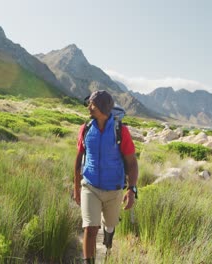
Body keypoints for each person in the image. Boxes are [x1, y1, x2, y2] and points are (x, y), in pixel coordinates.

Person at [73, 90, 139, 264]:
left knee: (109, 226)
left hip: (114, 189)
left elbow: (132, 163)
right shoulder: (86, 129)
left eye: (92, 104)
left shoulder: (121, 131)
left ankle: (108, 239)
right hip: (90, 186)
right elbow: (79, 159)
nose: (89, 107)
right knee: (90, 228)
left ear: (102, 107)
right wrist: (76, 187)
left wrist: (131, 189)